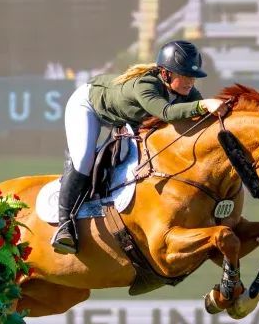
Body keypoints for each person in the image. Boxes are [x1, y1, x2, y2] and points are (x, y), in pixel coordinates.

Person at [51, 40, 227, 254]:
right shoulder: (145, 85)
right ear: (165, 73)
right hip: (89, 106)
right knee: (84, 160)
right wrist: (204, 104)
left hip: (125, 119)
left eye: (193, 76)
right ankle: (64, 226)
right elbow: (167, 113)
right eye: (185, 75)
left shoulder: (186, 90)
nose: (190, 82)